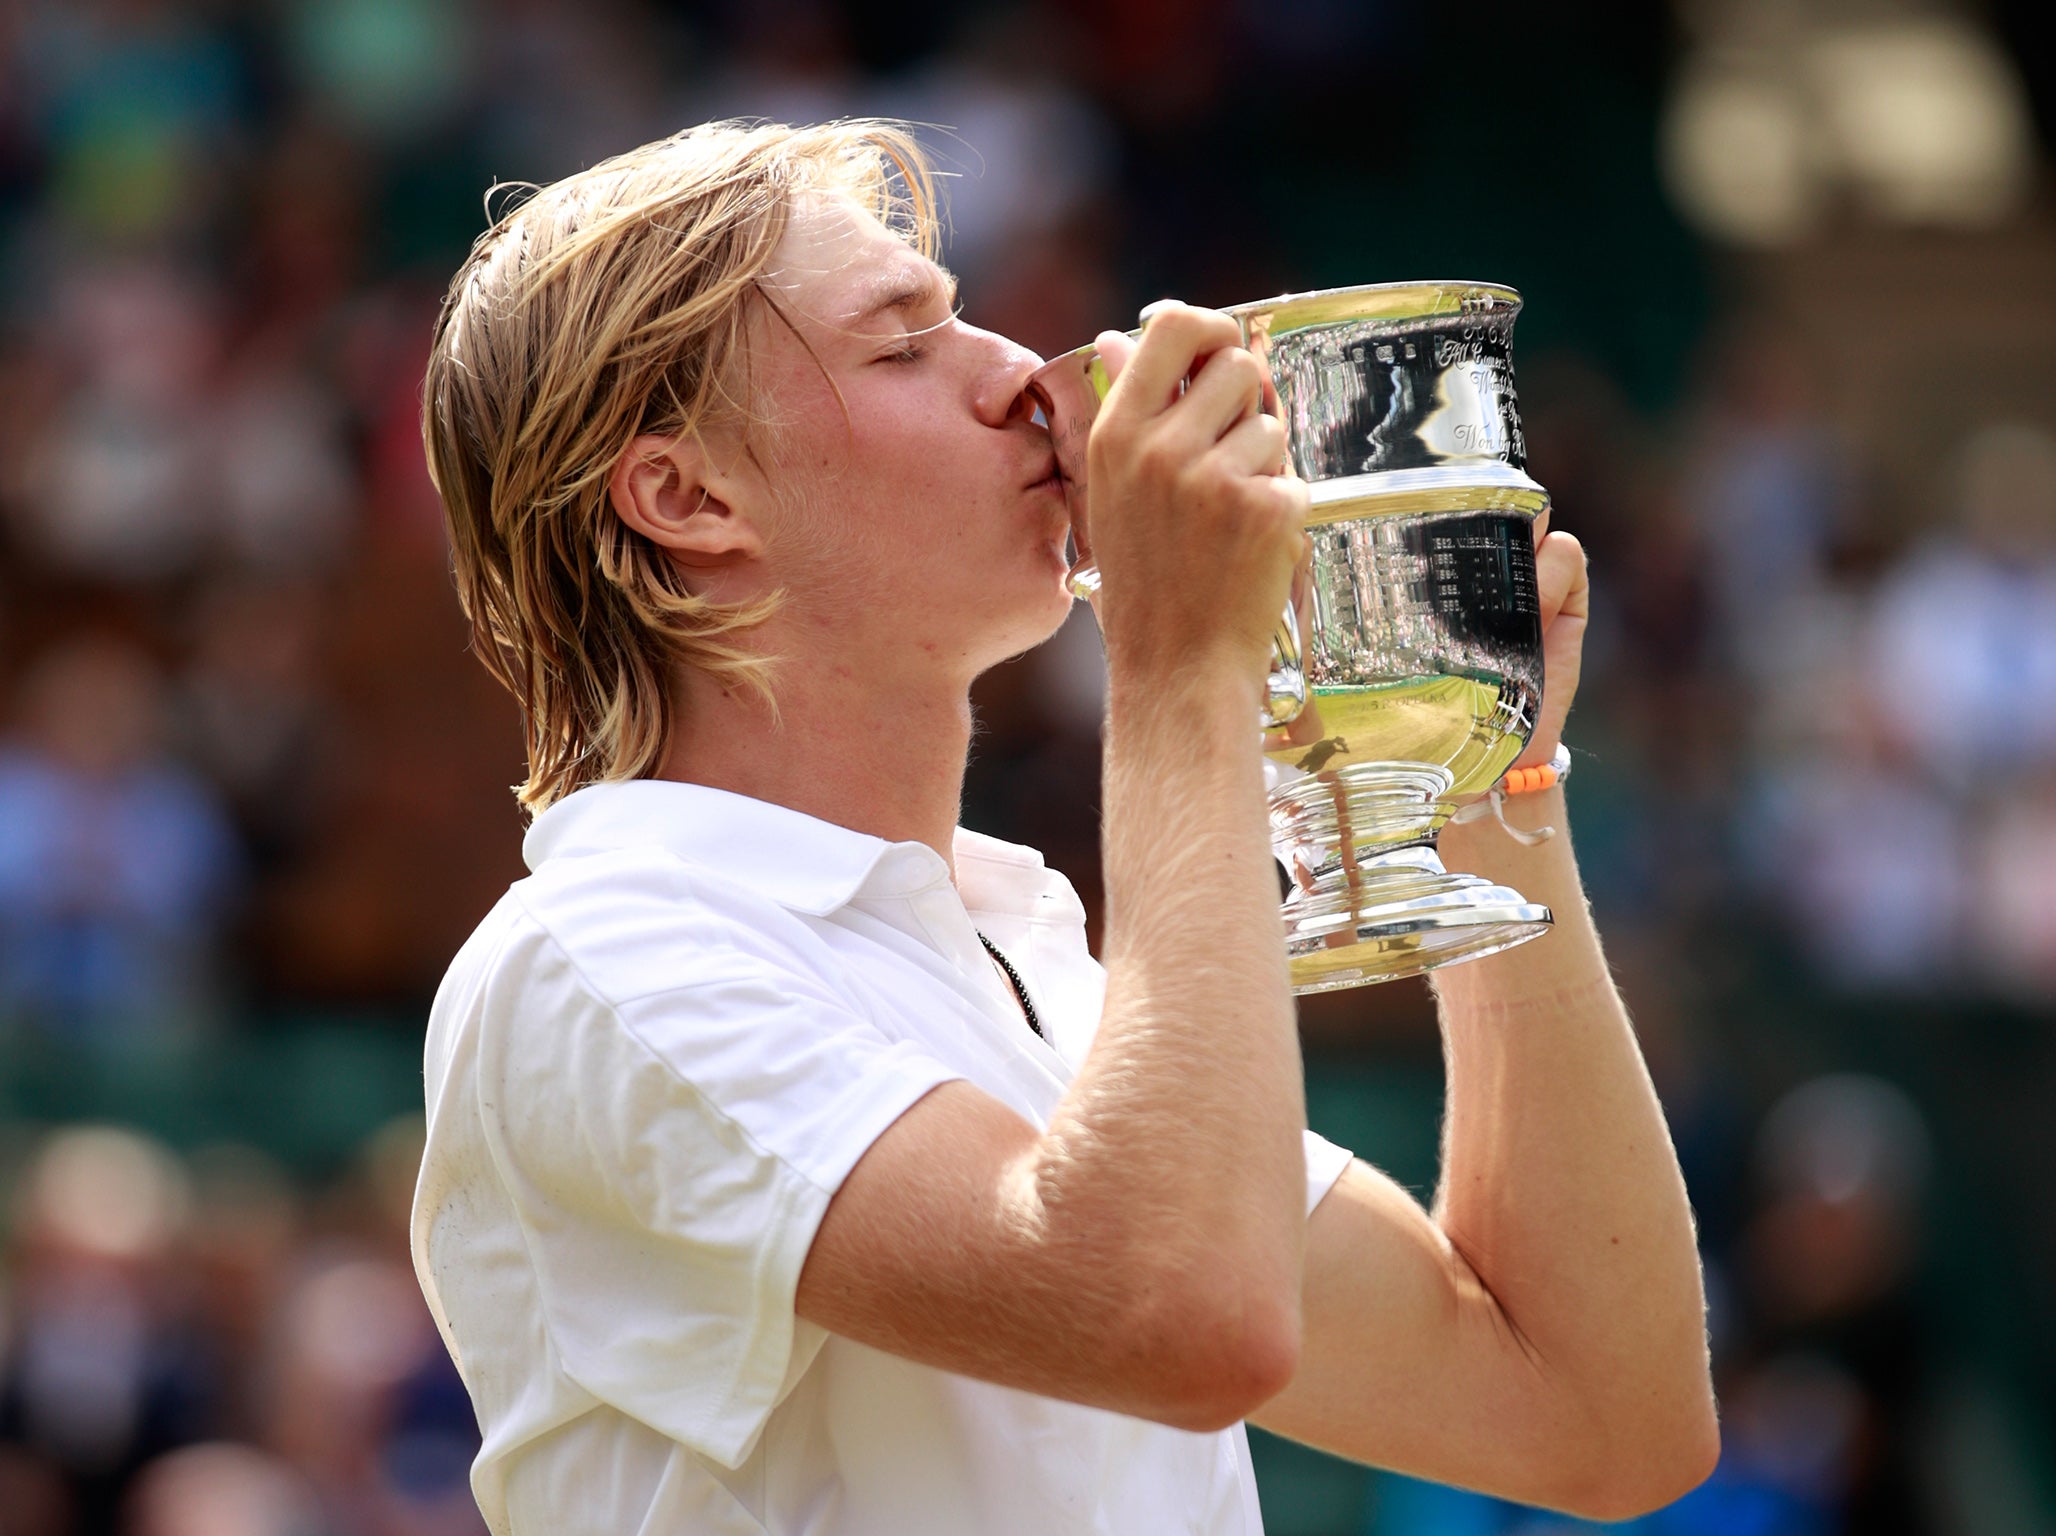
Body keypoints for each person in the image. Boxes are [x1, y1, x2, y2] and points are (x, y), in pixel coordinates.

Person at [409, 119, 1718, 1536]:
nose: (1022, 375)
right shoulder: (602, 958)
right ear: (689, 496)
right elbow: (1179, 1312)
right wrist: (1175, 664)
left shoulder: (1022, 963)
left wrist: (1471, 773)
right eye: (905, 344)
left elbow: (1598, 1415)